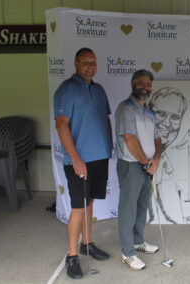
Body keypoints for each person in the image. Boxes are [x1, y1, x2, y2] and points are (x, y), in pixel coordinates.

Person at [54, 47, 112, 279]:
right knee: (78, 206)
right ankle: (72, 256)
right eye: (86, 61)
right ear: (76, 63)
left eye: (94, 62)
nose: (91, 65)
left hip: (99, 157)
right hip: (79, 161)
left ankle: (87, 244)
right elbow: (61, 125)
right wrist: (76, 159)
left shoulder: (98, 89)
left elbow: (104, 119)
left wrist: (109, 148)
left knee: (89, 203)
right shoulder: (67, 89)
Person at [115, 69, 162, 271]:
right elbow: (130, 140)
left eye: (149, 84)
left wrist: (156, 160)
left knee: (142, 205)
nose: (146, 87)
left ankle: (137, 241)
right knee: (128, 209)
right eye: (141, 83)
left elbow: (157, 139)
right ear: (133, 85)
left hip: (147, 165)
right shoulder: (126, 109)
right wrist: (146, 163)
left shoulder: (149, 111)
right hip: (132, 165)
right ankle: (127, 253)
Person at [147, 87, 187, 224]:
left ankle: (161, 216)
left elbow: (170, 172)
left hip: (156, 184)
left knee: (158, 200)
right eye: (161, 114)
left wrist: (177, 185)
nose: (167, 123)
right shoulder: (141, 150)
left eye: (175, 117)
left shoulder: (165, 156)